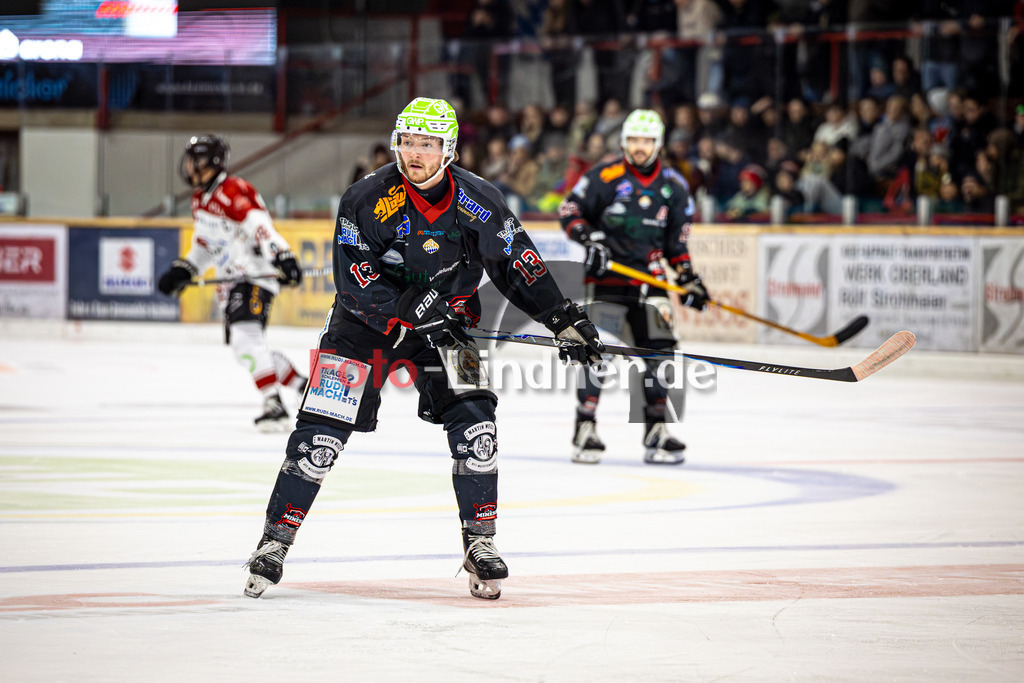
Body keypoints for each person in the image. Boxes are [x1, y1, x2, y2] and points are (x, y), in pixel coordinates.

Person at [242, 98, 605, 602]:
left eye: (427, 143)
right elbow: (353, 280)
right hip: (362, 329)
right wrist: (411, 307)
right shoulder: (365, 198)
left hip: (448, 328)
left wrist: (563, 318)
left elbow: (519, 264)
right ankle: (274, 541)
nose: (414, 153)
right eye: (407, 142)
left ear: (448, 149)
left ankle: (480, 542)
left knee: (478, 425)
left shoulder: (481, 200)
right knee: (319, 438)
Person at [558, 108, 708, 466]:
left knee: (661, 352)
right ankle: (585, 427)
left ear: (658, 143)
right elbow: (569, 210)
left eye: (647, 141)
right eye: (634, 140)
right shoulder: (604, 176)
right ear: (625, 141)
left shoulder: (674, 186)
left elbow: (677, 243)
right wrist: (589, 238)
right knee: (599, 351)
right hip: (608, 280)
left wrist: (687, 276)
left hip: (651, 283)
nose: (640, 148)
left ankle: (656, 429)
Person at [157, 135, 306, 432]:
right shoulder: (200, 199)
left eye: (194, 159)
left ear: (210, 161)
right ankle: (305, 387)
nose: (189, 166)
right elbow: (204, 247)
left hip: (252, 275)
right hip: (232, 282)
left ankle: (273, 403)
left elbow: (260, 227)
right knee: (247, 347)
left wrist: (283, 256)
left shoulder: (234, 190)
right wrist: (185, 269)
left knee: (245, 339)